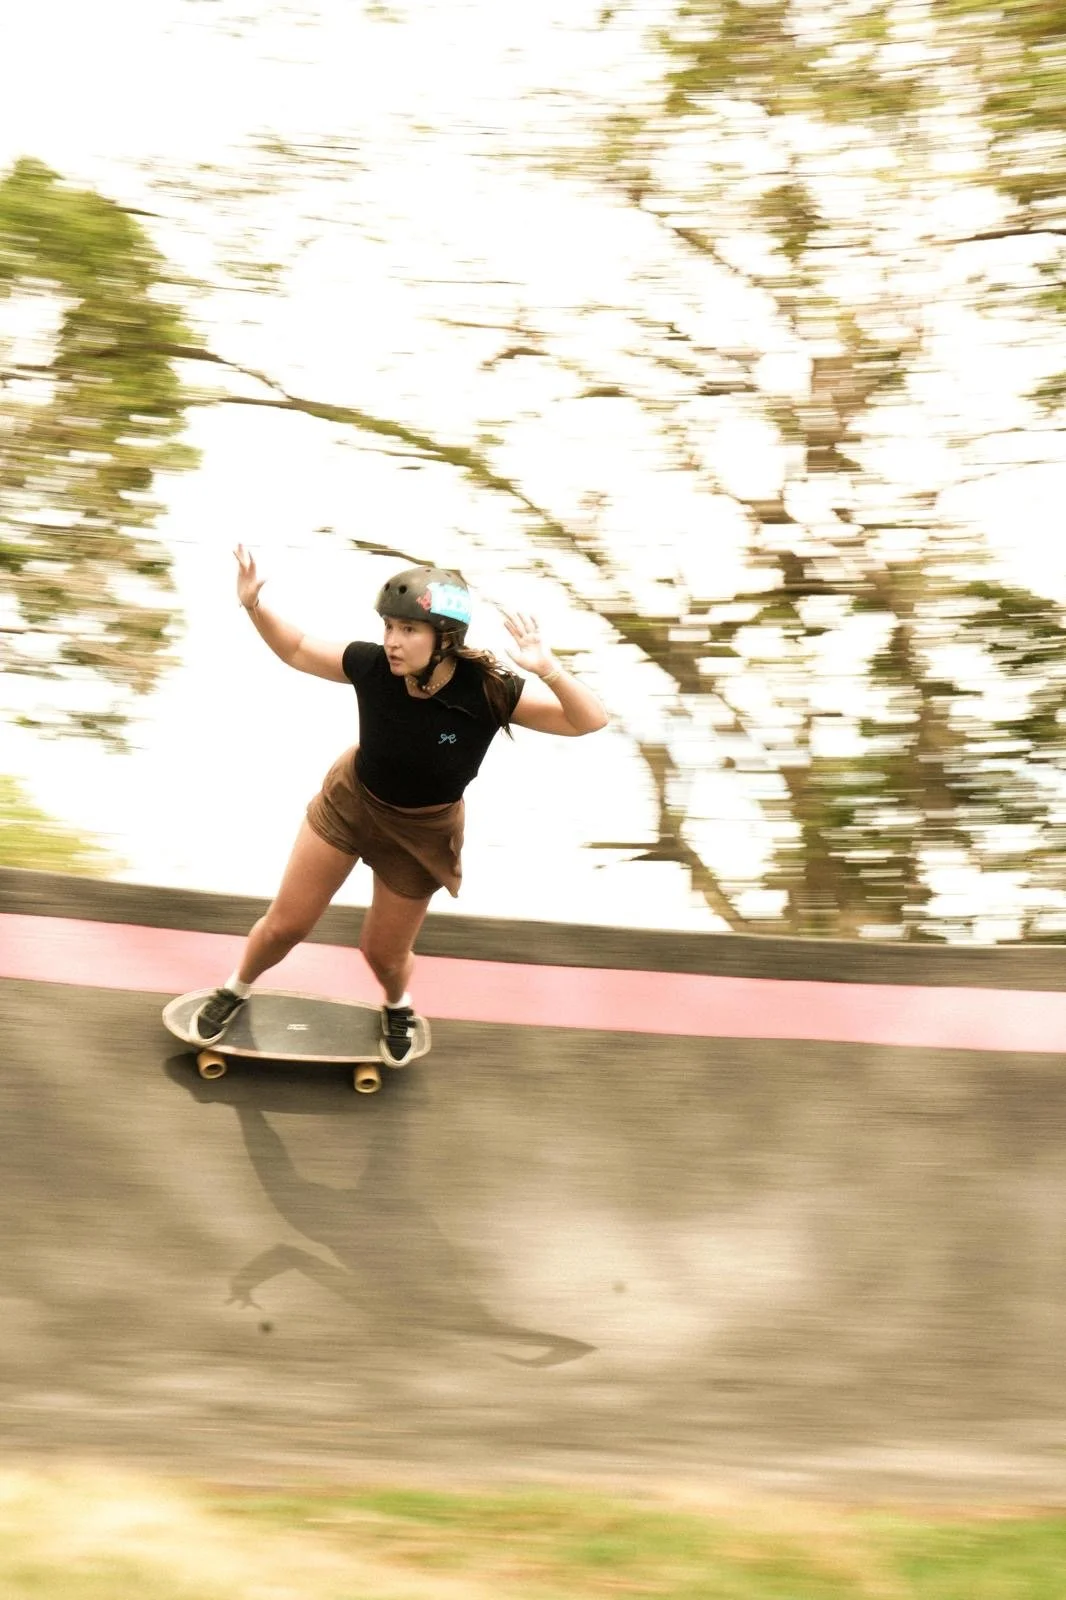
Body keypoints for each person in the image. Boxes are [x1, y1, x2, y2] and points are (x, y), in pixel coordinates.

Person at [192, 546, 609, 1065]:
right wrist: (255, 606)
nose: (392, 641)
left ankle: (397, 1004)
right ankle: (235, 988)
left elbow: (587, 721)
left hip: (421, 832)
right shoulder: (372, 666)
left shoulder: (489, 692)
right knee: (287, 924)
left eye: (409, 630)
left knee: (383, 954)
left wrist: (549, 669)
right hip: (352, 802)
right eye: (390, 626)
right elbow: (296, 648)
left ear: (445, 639)